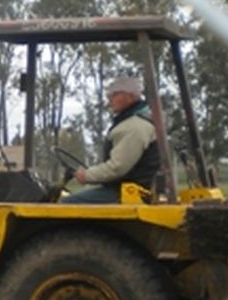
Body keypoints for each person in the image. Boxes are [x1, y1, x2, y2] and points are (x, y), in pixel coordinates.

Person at [63, 75, 161, 204]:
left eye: (115, 94)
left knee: (66, 204)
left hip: (128, 193)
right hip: (125, 190)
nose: (110, 100)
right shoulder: (130, 122)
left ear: (130, 96)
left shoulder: (135, 126)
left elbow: (117, 167)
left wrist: (86, 175)